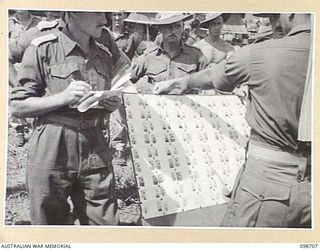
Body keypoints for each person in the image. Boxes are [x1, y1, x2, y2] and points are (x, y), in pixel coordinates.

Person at [153, 13, 312, 228]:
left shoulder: (258, 53)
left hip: (270, 182)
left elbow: (210, 77)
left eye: (274, 17)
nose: (273, 24)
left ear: (291, 13)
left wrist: (180, 83)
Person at [10, 11, 122, 225]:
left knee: (106, 228)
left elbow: (97, 99)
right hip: (53, 149)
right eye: (97, 12)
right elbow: (18, 105)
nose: (105, 20)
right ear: (72, 13)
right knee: (50, 226)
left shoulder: (104, 54)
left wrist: (108, 105)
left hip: (95, 147)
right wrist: (62, 98)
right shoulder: (43, 48)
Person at [130, 13, 206, 93]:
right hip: (158, 104)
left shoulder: (196, 55)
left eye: (177, 26)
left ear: (183, 28)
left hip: (188, 104)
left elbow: (211, 80)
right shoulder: (149, 57)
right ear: (160, 29)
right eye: (167, 27)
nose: (172, 31)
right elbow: (126, 80)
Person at [9, 10, 42, 146]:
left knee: (36, 98)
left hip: (32, 66)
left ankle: (37, 130)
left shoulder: (38, 22)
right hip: (15, 67)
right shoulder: (8, 23)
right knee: (15, 98)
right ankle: (19, 130)